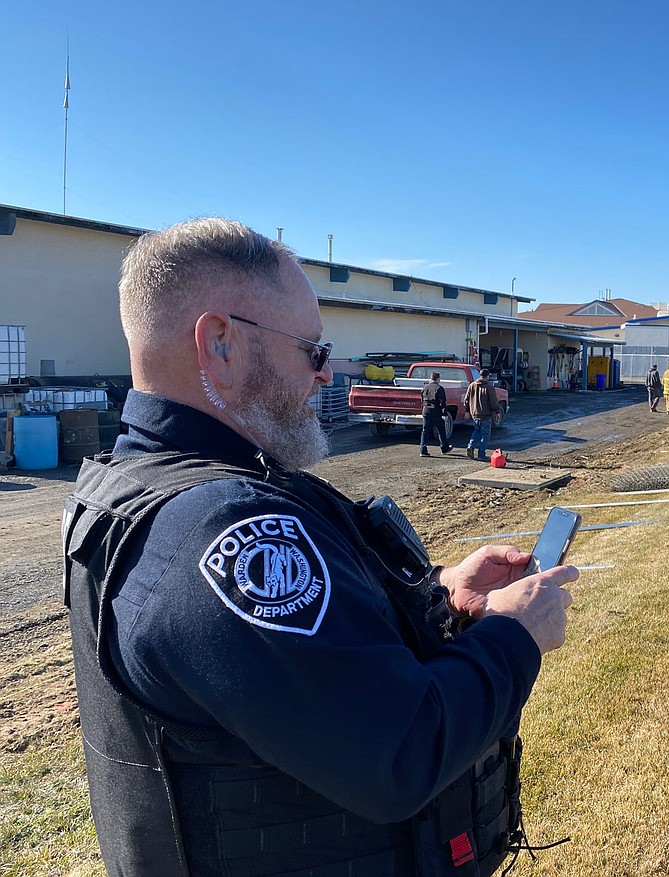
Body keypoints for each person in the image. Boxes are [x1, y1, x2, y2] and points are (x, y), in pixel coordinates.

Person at [62, 218, 577, 876]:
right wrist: (514, 634)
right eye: (312, 348)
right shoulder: (227, 529)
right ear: (219, 343)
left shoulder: (152, 488)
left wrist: (442, 594)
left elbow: (292, 668)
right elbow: (397, 751)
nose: (326, 372)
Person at [464, 367, 500, 461]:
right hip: (486, 415)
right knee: (485, 435)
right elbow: (493, 402)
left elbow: (466, 400)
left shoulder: (472, 385)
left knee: (476, 431)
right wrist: (496, 411)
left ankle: (470, 446)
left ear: (480, 375)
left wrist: (467, 411)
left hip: (475, 414)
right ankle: (481, 454)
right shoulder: (489, 387)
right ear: (487, 376)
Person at [419, 371, 453, 456]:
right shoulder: (439, 388)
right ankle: (444, 448)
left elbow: (422, 400)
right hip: (436, 412)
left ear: (431, 378)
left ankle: (423, 450)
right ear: (438, 379)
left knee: (425, 431)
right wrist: (444, 414)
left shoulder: (425, 387)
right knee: (441, 430)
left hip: (426, 411)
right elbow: (442, 402)